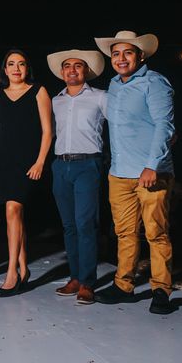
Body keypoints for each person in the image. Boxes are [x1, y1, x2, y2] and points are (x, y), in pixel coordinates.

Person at [92, 30, 176, 315]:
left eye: (128, 52)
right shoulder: (114, 85)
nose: (121, 58)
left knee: (156, 234)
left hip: (150, 173)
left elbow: (166, 126)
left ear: (141, 55)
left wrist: (152, 165)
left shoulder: (155, 83)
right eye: (116, 54)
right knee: (125, 233)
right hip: (119, 173)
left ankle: (161, 290)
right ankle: (123, 285)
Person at [0, 49, 53, 297]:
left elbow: (48, 131)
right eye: (11, 64)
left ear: (27, 68)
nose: (16, 68)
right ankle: (24, 269)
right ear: (5, 70)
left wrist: (39, 162)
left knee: (13, 210)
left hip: (28, 162)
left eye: (21, 64)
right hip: (4, 160)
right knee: (17, 214)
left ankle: (12, 272)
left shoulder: (39, 91)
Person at [46, 49, 106, 305]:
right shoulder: (54, 101)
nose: (72, 70)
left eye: (78, 66)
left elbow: (124, 121)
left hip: (87, 165)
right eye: (67, 66)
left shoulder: (101, 97)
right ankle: (74, 277)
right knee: (69, 226)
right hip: (61, 166)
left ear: (86, 71)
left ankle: (88, 282)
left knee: (85, 224)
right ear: (62, 73)